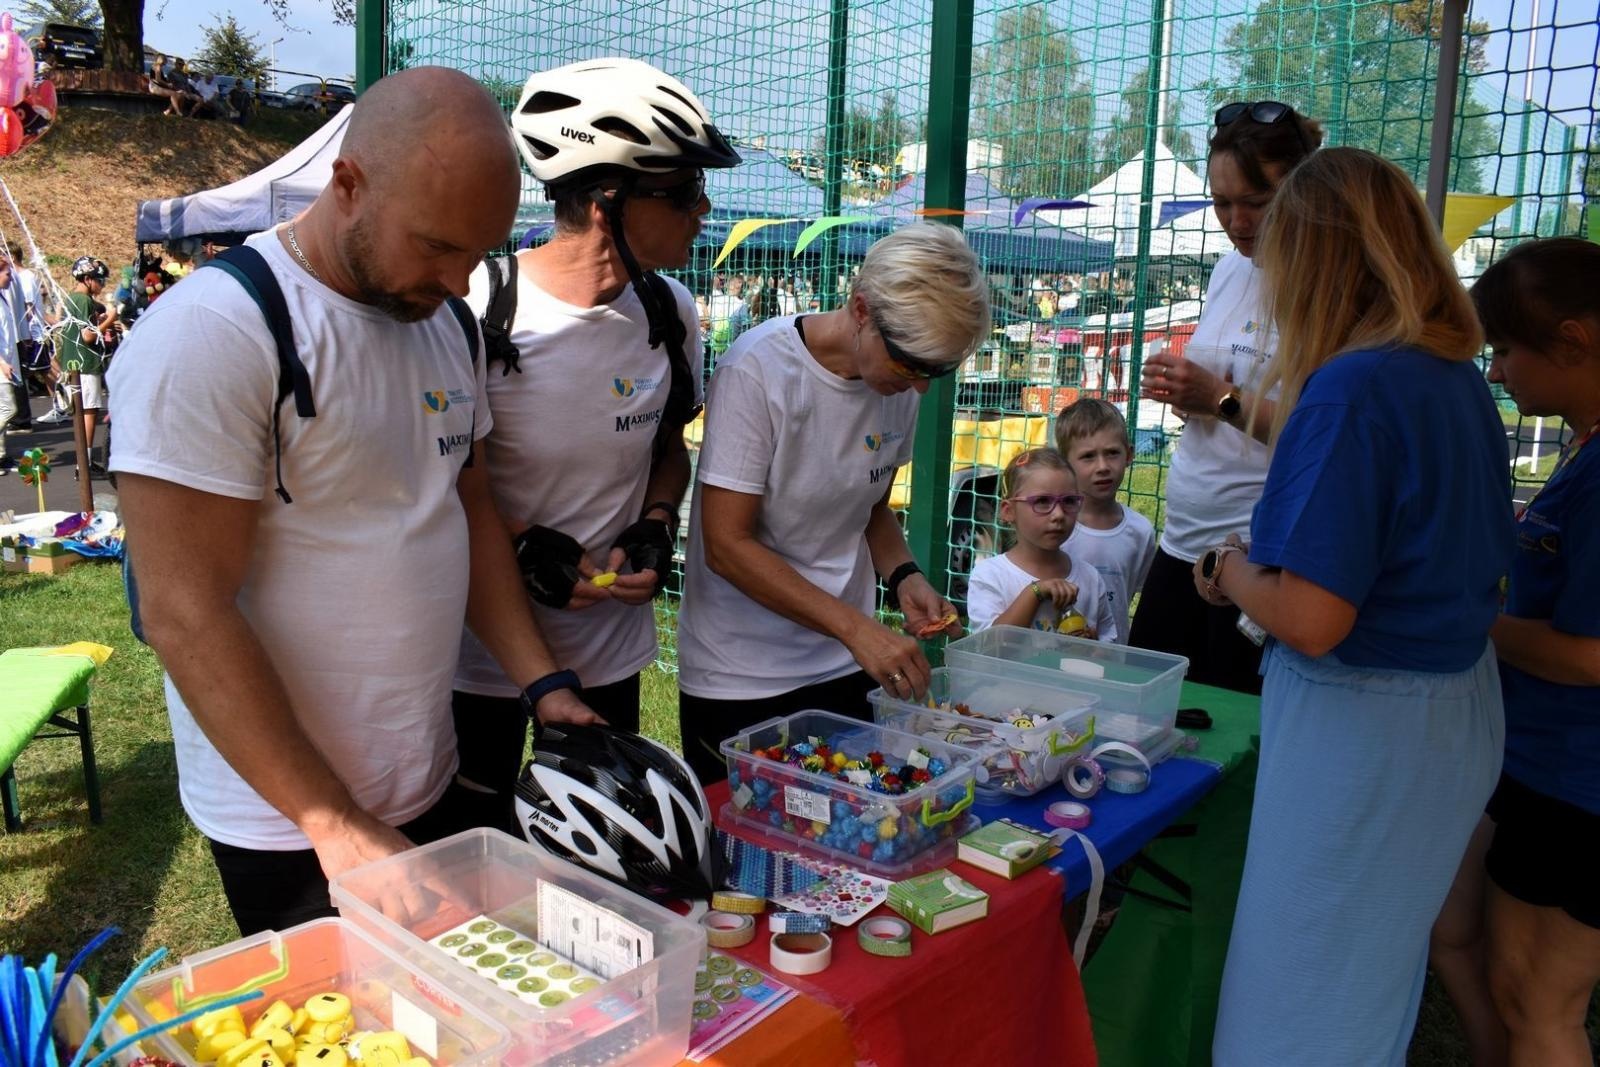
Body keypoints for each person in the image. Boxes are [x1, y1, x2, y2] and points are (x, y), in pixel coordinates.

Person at [107, 67, 599, 937]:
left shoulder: (444, 324)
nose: (459, 280)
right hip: (290, 816)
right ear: (348, 183)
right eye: (438, 246)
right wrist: (331, 820)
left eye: (479, 252)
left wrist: (541, 680)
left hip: (427, 767)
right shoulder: (217, 332)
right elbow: (184, 611)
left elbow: (466, 510)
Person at [1200, 147, 1513, 1065]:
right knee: (1366, 981)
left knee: (1294, 1003)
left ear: (1315, 260)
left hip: (1368, 718)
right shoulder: (1449, 373)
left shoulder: (1353, 385)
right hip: (1448, 704)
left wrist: (1230, 570)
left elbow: (1314, 616)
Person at [450, 58, 740, 832]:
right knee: (473, 859)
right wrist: (520, 547)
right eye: (681, 193)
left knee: (598, 856)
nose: (702, 210)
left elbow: (668, 447)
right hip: (477, 653)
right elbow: (444, 483)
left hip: (607, 648)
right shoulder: (482, 307)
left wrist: (654, 523)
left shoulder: (667, 310)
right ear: (607, 201)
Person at [675, 223, 988, 783]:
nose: (920, 388)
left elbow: (870, 507)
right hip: (744, 673)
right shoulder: (759, 370)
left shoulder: (896, 382)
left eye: (936, 372)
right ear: (862, 310)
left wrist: (904, 575)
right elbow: (726, 545)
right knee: (751, 855)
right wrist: (858, 629)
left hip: (844, 662)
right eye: (912, 365)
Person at [1432, 237, 1600, 1067]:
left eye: (1506, 348)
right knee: (1480, 954)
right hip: (1538, 763)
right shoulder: (1584, 449)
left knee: (1539, 1000)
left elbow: (1592, 655)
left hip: (1577, 783)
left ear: (1572, 340)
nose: (1496, 371)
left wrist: (1466, 619)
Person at [1128, 101, 1323, 693]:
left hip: (1255, 549)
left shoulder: (1324, 287)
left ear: (1303, 189)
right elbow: (1225, 397)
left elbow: (1325, 436)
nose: (1236, 220)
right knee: (1144, 708)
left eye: (1256, 203)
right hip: (1185, 534)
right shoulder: (1231, 268)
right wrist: (1188, 394)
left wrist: (1222, 399)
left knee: (1230, 736)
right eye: (1221, 203)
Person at [966, 448, 1117, 640]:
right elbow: (988, 647)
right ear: (1008, 511)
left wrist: (1091, 647)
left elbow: (1108, 647)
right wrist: (1035, 592)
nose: (1059, 515)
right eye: (1042, 501)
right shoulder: (990, 576)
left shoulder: (1090, 578)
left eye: (1069, 501)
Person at [1057, 398, 1156, 644]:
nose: (1102, 467)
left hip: (1114, 658)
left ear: (1129, 454)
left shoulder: (1140, 531)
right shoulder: (1054, 528)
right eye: (1088, 456)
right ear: (1065, 463)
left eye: (1112, 453)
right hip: (1054, 655)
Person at [56, 256, 114, 470]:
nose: (102, 285)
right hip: (86, 363)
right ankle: (85, 463)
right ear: (88, 278)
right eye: (100, 280)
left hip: (72, 362)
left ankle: (85, 461)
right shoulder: (84, 300)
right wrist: (110, 320)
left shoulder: (72, 299)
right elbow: (88, 336)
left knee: (81, 411)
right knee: (89, 412)